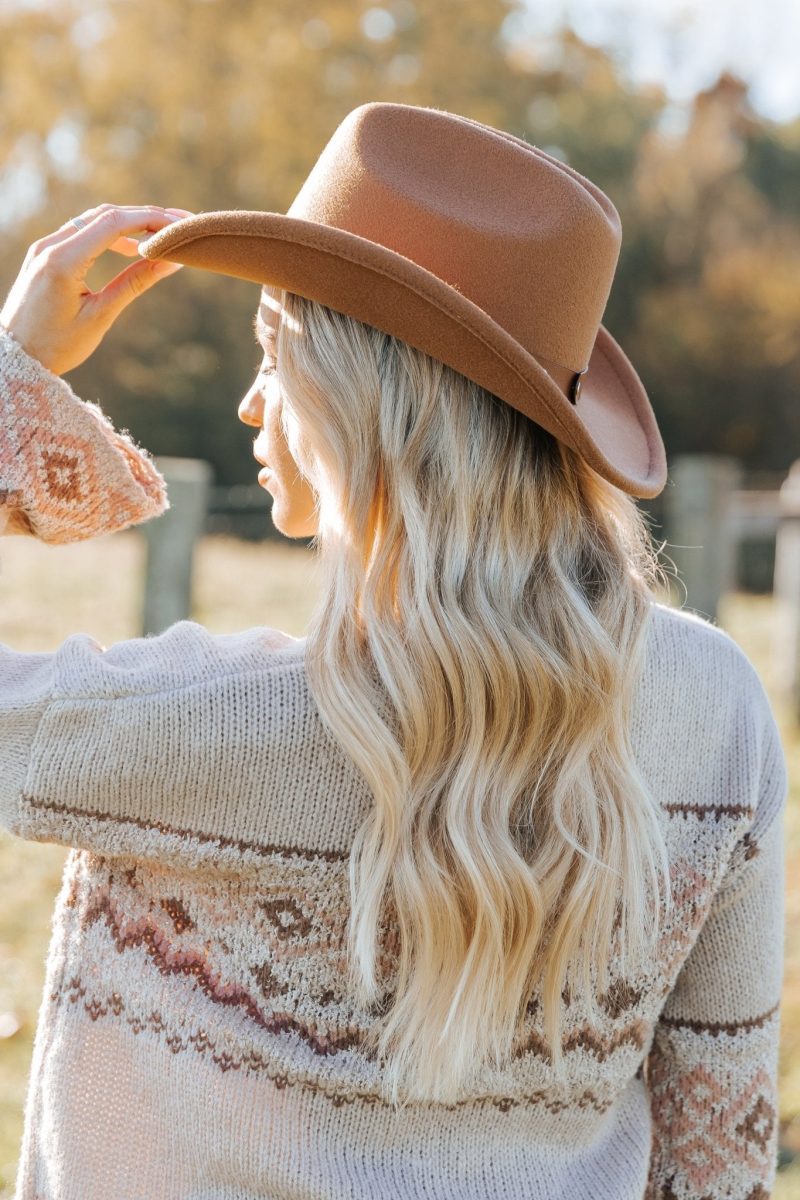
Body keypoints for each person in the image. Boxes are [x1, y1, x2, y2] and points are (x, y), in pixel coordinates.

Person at [0, 102, 788, 1200]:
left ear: (347, 393)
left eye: (272, 352)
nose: (247, 401)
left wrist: (13, 377)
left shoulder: (194, 726)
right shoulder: (720, 710)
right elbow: (719, 1159)